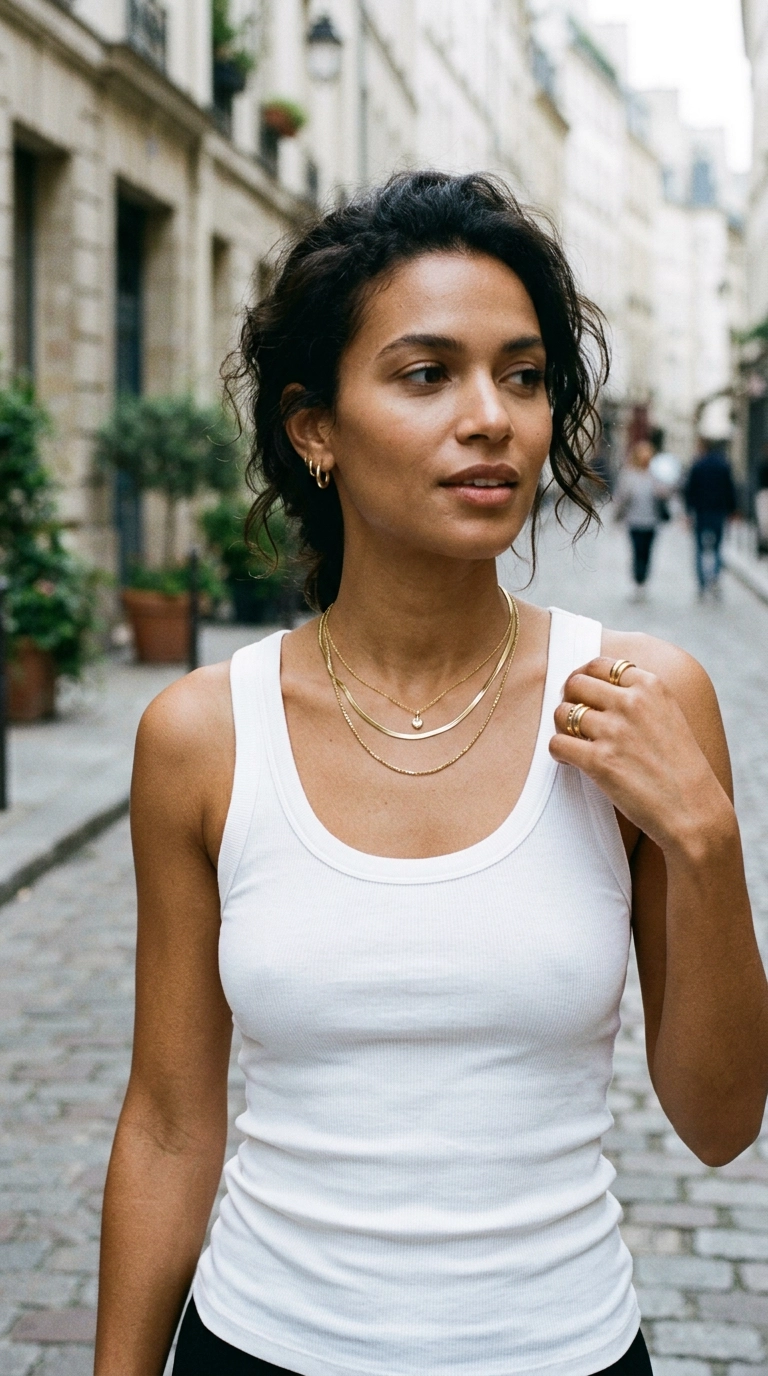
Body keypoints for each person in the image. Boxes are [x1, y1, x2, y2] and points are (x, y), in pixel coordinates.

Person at [95, 172, 768, 1376]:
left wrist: (706, 841)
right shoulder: (203, 734)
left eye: (521, 374)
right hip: (258, 1343)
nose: (492, 416)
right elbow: (166, 1119)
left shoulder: (638, 699)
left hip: (563, 1349)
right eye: (426, 374)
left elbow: (721, 1122)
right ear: (314, 428)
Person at [684, 437, 737, 595]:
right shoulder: (723, 465)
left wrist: (688, 511)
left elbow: (690, 490)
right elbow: (730, 488)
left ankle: (702, 582)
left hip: (701, 511)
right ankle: (714, 578)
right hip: (718, 510)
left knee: (700, 548)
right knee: (717, 547)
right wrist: (732, 509)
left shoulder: (698, 465)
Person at [613, 439, 664, 598]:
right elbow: (621, 497)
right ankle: (638, 580)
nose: (645, 459)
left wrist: (661, 492)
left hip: (651, 521)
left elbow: (664, 493)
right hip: (634, 521)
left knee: (647, 553)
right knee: (637, 552)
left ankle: (643, 580)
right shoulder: (628, 474)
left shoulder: (654, 474)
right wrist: (617, 516)